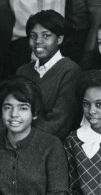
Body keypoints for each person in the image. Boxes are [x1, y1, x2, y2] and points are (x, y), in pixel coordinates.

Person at [15, 10, 84, 140]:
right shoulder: (22, 71)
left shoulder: (71, 71)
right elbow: (11, 110)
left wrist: (23, 139)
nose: (38, 41)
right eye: (33, 36)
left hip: (49, 145)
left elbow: (59, 120)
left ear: (59, 39)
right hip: (18, 139)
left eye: (46, 36)